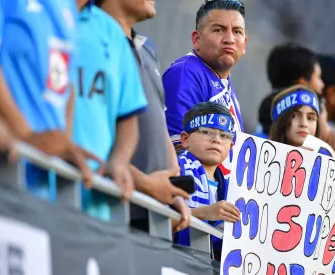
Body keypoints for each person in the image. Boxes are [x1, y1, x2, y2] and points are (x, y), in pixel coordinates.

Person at [0, 0, 99, 199]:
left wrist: (63, 145)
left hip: (39, 185)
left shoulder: (67, 7)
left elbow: (65, 86)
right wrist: (26, 136)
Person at [97, 0, 190, 231]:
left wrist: (171, 190)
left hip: (154, 212)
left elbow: (159, 122)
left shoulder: (147, 49)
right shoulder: (94, 39)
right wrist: (146, 184)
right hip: (113, 203)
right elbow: (90, 133)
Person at [72, 0, 151, 220]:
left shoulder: (111, 33)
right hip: (29, 178)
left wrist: (118, 160)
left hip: (94, 200)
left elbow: (127, 119)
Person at [269, 85, 335, 271]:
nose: (303, 123)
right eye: (294, 115)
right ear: (282, 121)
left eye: (311, 117)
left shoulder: (327, 176)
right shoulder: (262, 166)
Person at [163, 0, 247, 156]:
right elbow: (178, 149)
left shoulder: (225, 84)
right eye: (218, 30)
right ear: (197, 39)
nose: (229, 39)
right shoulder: (186, 73)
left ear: (245, 44)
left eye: (237, 31)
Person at [174, 102, 240, 261]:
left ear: (230, 146)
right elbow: (158, 218)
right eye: (206, 132)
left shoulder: (232, 189)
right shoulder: (175, 168)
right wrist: (205, 213)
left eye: (224, 135)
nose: (216, 139)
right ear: (185, 139)